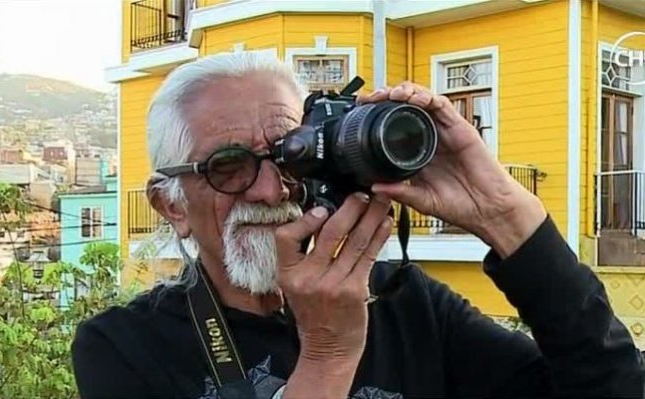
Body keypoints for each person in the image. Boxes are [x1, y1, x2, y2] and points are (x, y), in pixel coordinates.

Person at [71, 51, 645, 399]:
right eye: (228, 167)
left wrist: (505, 215)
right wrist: (327, 354)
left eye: (290, 154)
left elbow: (615, 387)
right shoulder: (125, 347)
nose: (271, 191)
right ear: (171, 204)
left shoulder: (407, 305)